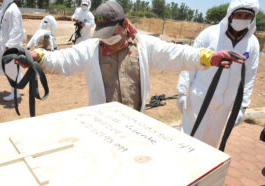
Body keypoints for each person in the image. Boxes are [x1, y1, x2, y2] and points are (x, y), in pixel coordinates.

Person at [17, 1, 245, 113]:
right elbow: (63, 60)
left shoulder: (145, 47)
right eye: (103, 35)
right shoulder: (91, 48)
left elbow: (177, 54)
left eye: (111, 34)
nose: (107, 40)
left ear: (125, 25)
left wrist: (209, 57)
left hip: (136, 121)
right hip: (101, 122)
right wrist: (37, 56)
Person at [176, 0, 260, 147]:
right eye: (238, 15)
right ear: (230, 14)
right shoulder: (210, 34)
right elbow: (191, 62)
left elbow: (249, 76)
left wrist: (242, 106)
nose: (242, 19)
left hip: (225, 103)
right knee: (190, 136)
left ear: (252, 18)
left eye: (247, 16)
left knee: (211, 141)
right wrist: (182, 91)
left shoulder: (252, 43)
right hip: (200, 97)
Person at [0, 0, 25, 101]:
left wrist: (10, 46)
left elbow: (17, 29)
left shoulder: (13, 9)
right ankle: (19, 78)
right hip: (3, 44)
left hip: (10, 46)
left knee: (11, 70)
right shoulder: (5, 8)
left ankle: (15, 93)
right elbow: (3, 28)